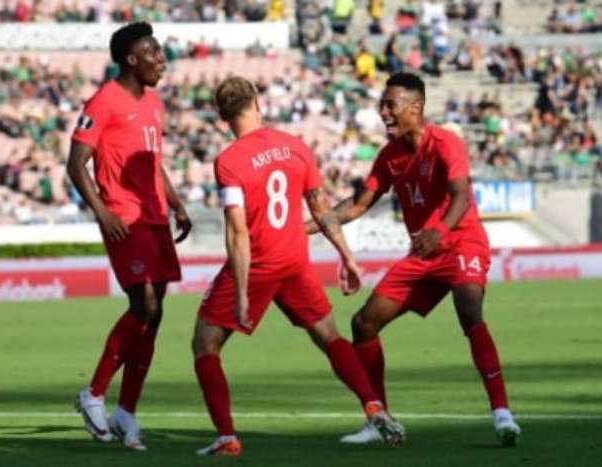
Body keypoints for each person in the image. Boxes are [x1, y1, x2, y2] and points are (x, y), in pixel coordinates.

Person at [191, 76, 406, 457]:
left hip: (258, 264)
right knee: (330, 336)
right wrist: (347, 257)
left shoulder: (229, 162)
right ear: (257, 103)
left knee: (205, 344)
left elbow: (238, 231)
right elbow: (322, 210)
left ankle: (227, 437)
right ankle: (374, 407)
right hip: (294, 260)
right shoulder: (295, 147)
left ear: (223, 117)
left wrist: (241, 294)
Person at [307, 72, 521, 446]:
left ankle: (502, 413)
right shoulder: (389, 156)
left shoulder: (446, 143)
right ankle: (380, 420)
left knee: (469, 311)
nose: (383, 112)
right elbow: (357, 205)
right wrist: (299, 230)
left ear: (415, 108)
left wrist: (440, 230)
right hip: (423, 253)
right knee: (363, 323)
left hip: (461, 243)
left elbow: (460, 195)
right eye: (382, 105)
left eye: (390, 105)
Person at [67, 22, 191, 451]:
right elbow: (75, 162)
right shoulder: (103, 102)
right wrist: (103, 212)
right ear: (131, 59)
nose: (161, 59)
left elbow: (154, 162)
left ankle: (127, 411)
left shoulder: (154, 102)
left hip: (155, 216)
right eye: (153, 52)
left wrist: (175, 202)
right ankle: (95, 393)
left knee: (154, 317)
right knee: (145, 304)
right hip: (124, 217)